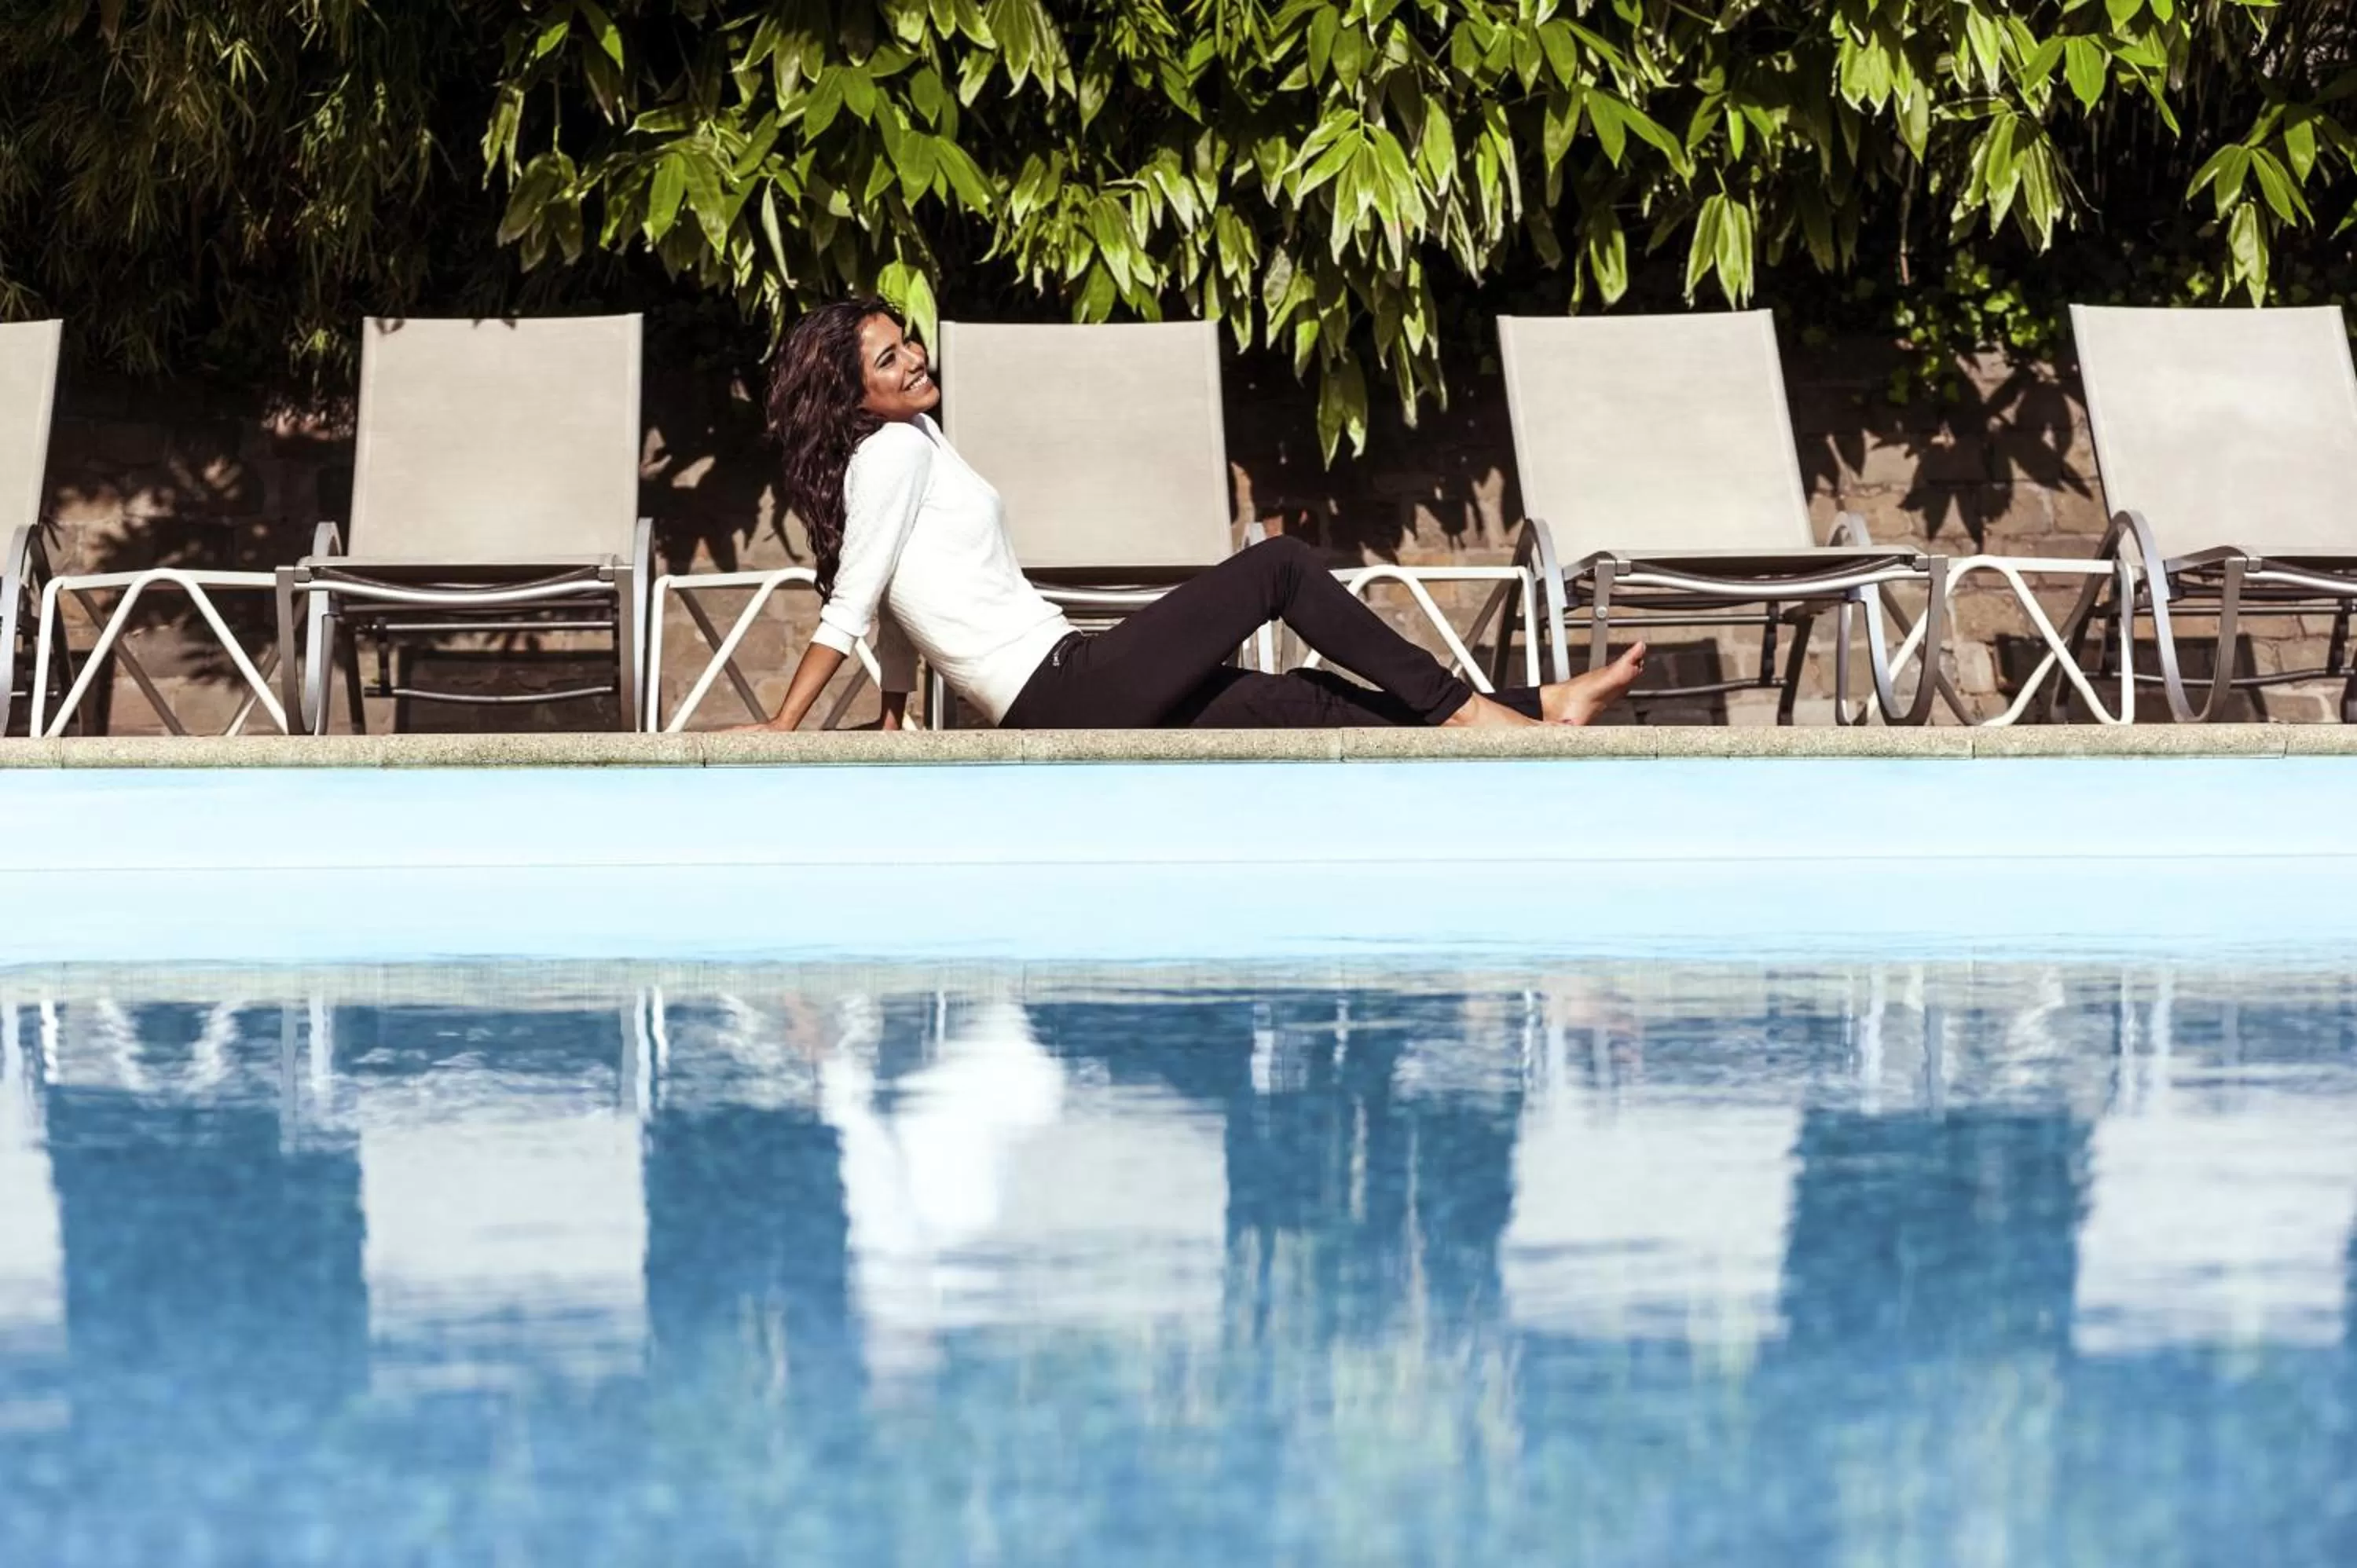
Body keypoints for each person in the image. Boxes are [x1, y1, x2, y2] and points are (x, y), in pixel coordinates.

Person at [741, 298, 1647, 733]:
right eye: (888, 358)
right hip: (1057, 691)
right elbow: (854, 604)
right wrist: (785, 734)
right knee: (1278, 568)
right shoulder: (892, 452)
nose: (914, 359)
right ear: (849, 394)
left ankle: (1537, 704)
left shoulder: (918, 442)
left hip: (1063, 688)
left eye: (908, 342)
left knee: (1296, 702)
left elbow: (897, 603)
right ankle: (1469, 716)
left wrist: (897, 713)